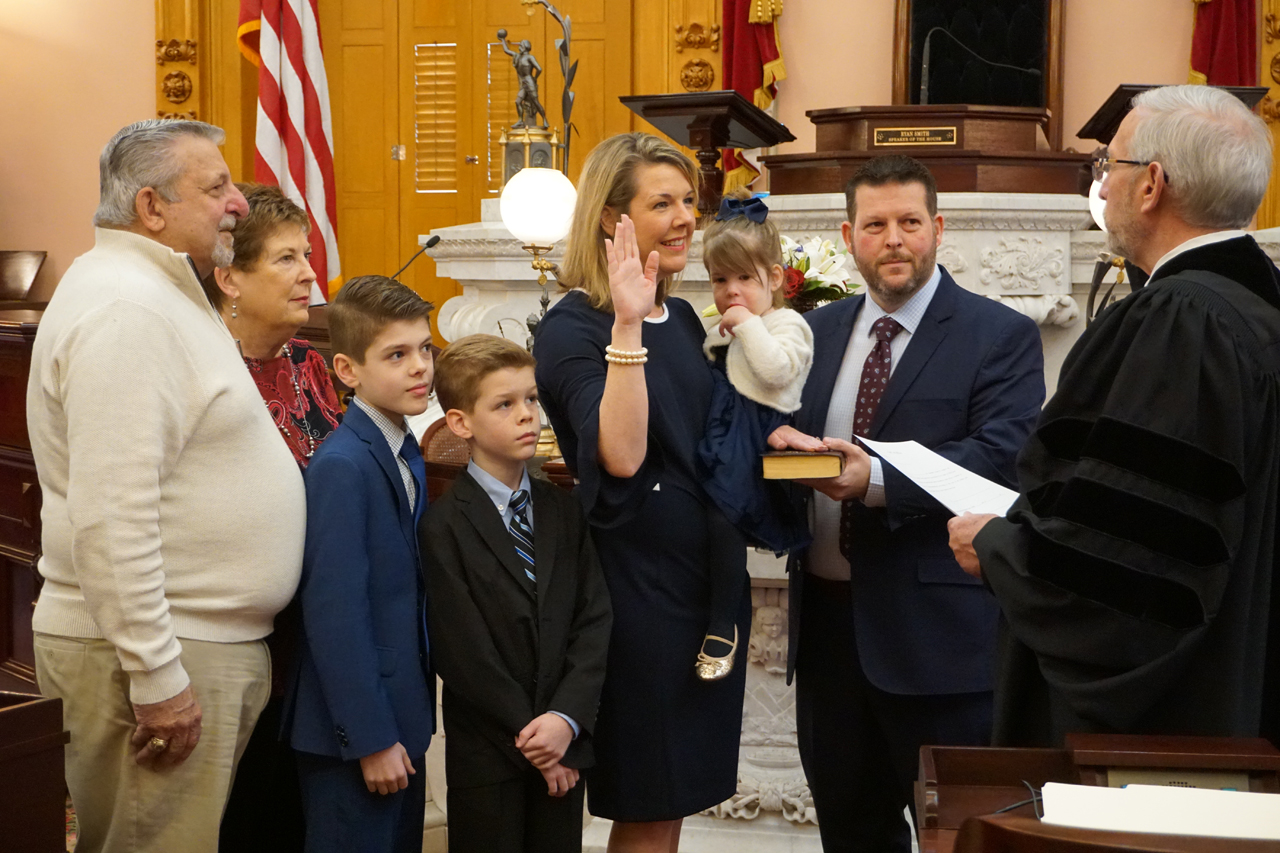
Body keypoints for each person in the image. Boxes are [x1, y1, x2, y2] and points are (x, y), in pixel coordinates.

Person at [948, 84, 1280, 750]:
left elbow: (1124, 571)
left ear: (1152, 184)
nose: (1102, 188)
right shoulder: (1256, 315)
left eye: (1110, 167)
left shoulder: (1181, 326)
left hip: (1163, 738)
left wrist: (999, 549)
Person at [27, 118, 305, 853]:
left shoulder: (156, 293)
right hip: (160, 651)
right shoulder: (127, 309)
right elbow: (113, 514)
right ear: (151, 207)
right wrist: (156, 675)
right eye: (215, 187)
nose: (239, 203)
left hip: (193, 640)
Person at [770, 153, 1045, 853]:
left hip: (939, 644)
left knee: (957, 838)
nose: (894, 238)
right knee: (850, 832)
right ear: (849, 234)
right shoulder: (814, 331)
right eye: (876, 224)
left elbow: (1003, 461)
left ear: (938, 228)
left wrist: (876, 478)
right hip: (830, 641)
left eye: (910, 222)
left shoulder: (999, 335)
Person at [533, 132, 749, 853]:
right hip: (640, 598)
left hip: (705, 591)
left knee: (678, 795)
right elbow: (621, 456)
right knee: (651, 799)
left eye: (690, 200)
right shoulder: (573, 328)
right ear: (609, 218)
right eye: (663, 202)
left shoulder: (684, 318)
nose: (687, 216)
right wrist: (627, 320)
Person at [421, 334, 613, 853]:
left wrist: (564, 722)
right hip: (490, 755)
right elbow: (464, 651)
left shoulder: (562, 509)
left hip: (563, 744)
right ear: (461, 424)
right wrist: (536, 740)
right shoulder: (443, 525)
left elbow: (593, 619)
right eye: (505, 404)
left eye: (531, 399)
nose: (527, 415)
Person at [281, 275, 436, 853]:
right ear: (347, 371)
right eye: (396, 355)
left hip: (401, 719)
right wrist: (371, 738)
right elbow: (335, 613)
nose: (420, 367)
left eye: (424, 349)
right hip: (353, 734)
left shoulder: (402, 447)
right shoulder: (343, 465)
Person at [211, 183, 343, 853]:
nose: (309, 274)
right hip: (231, 638)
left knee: (294, 820)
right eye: (288, 259)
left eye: (309, 254)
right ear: (230, 276)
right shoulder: (200, 367)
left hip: (311, 640)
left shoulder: (311, 365)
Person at [695, 189, 813, 680]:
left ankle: (724, 620)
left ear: (774, 278)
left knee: (723, 517)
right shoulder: (728, 323)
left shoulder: (788, 324)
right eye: (721, 280)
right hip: (721, 429)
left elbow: (775, 371)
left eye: (745, 278)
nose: (731, 291)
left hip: (757, 436)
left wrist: (745, 324)